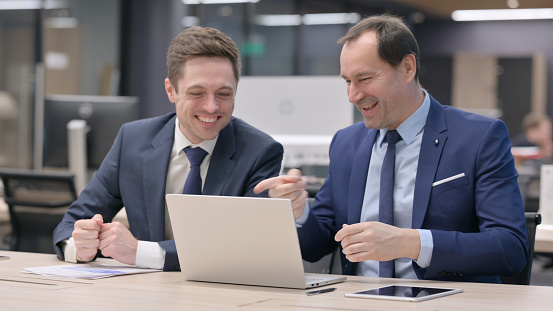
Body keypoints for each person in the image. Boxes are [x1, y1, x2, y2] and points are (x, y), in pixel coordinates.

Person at [255, 14, 528, 283]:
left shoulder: (478, 137)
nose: (352, 96)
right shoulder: (346, 143)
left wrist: (411, 243)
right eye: (348, 81)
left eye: (364, 79)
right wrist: (299, 212)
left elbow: (510, 248)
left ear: (408, 68)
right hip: (356, 301)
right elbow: (319, 245)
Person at [53, 26, 283, 271]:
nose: (211, 107)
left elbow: (244, 246)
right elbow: (72, 223)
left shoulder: (260, 152)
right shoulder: (133, 140)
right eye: (197, 92)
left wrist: (140, 252)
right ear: (170, 90)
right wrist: (79, 246)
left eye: (224, 93)